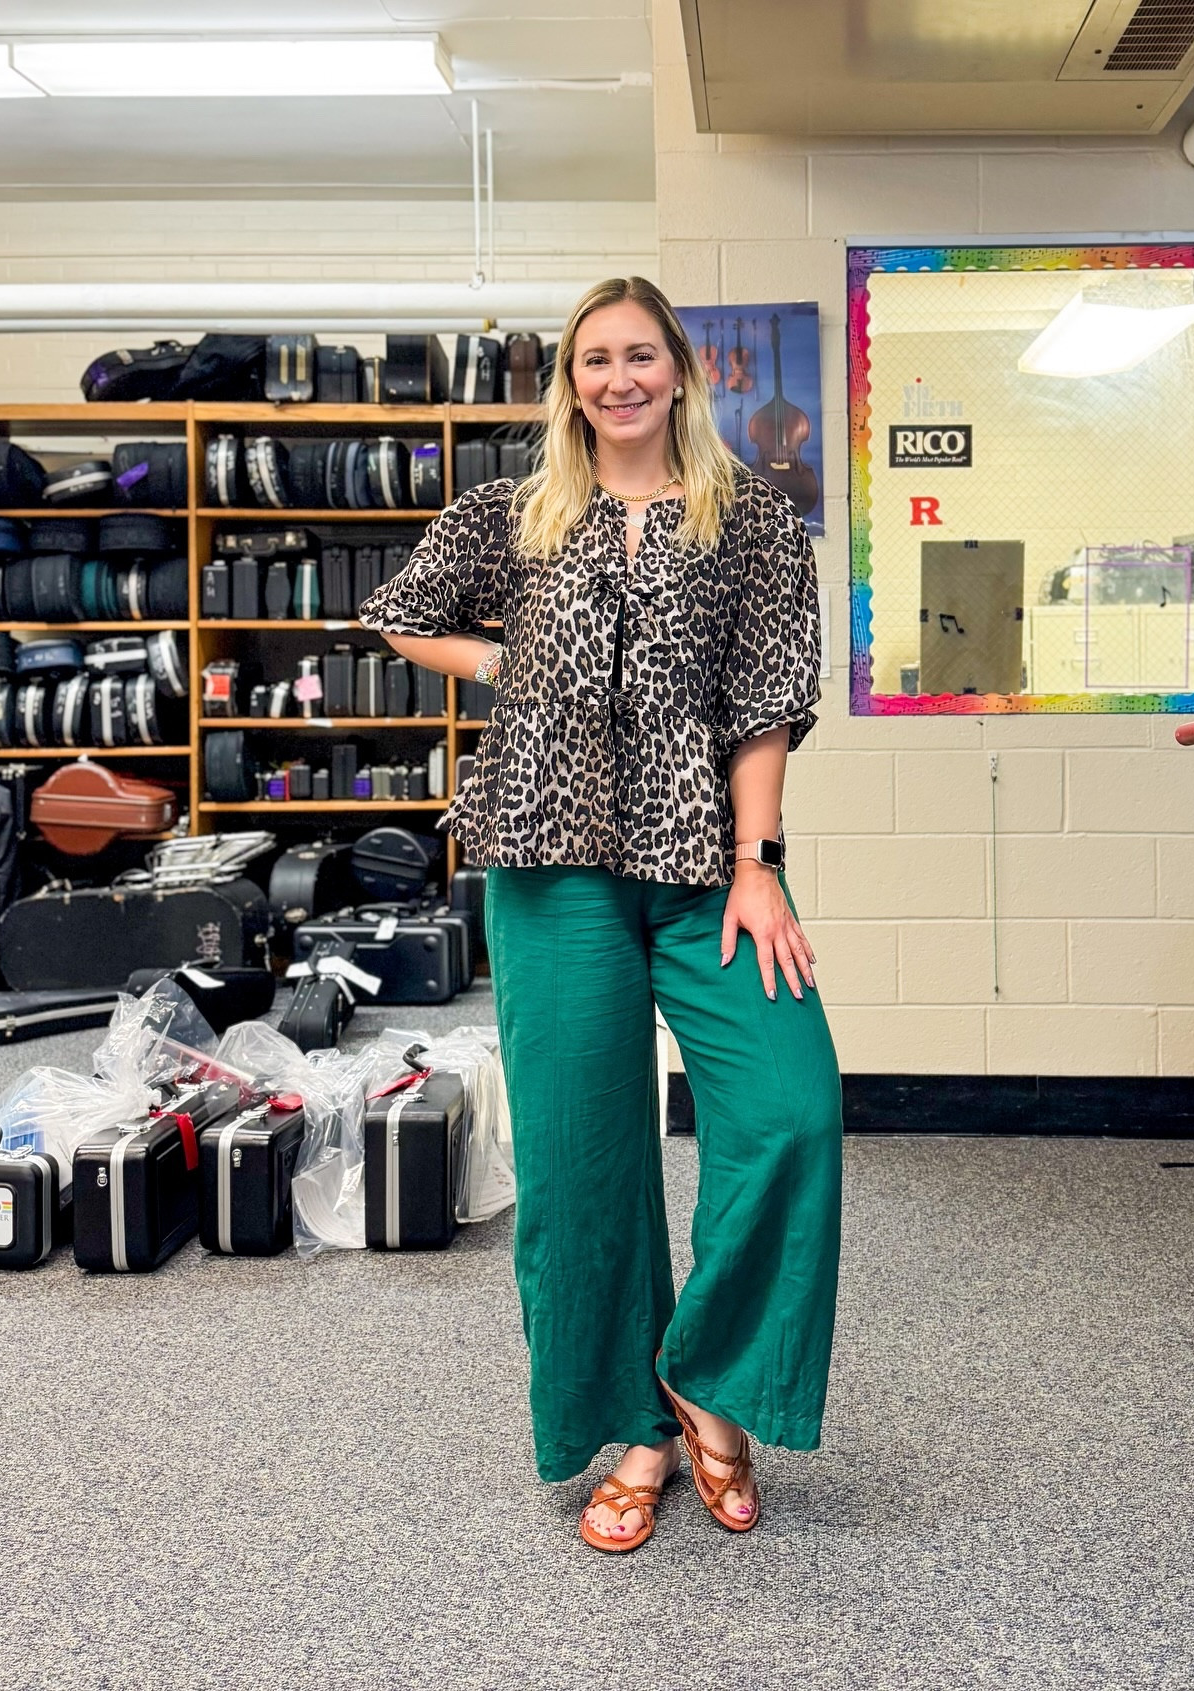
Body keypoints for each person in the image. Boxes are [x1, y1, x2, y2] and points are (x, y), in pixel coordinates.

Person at [359, 276, 843, 1553]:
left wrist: (761, 860)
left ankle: (705, 1377)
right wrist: (501, 658)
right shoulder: (512, 517)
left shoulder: (752, 526)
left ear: (680, 371)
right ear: (570, 382)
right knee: (582, 1162)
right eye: (593, 360)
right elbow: (400, 616)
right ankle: (634, 1429)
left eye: (639, 356)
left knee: (793, 1104)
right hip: (547, 860)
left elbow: (766, 706)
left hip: (702, 867)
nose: (617, 378)